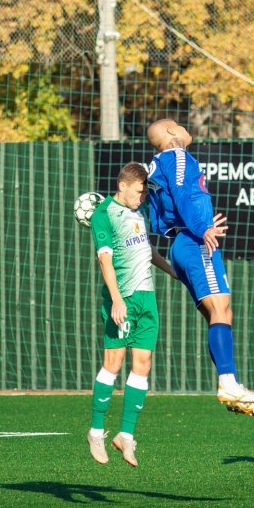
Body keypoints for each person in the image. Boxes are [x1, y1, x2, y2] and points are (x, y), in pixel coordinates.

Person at [145, 118, 254, 417]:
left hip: (182, 242)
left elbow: (161, 213)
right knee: (220, 309)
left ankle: (231, 386)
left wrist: (196, 226)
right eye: (179, 124)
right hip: (195, 241)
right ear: (171, 132)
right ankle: (228, 383)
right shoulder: (177, 156)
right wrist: (202, 227)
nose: (185, 127)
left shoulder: (156, 164)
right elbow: (182, 193)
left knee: (221, 313)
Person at [86, 162, 179, 467]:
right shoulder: (104, 214)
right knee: (113, 363)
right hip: (122, 297)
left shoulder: (138, 210)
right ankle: (95, 432)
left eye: (144, 192)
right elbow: (105, 261)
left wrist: (174, 272)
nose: (143, 197)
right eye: (139, 191)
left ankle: (125, 435)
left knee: (144, 363)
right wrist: (116, 300)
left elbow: (147, 250)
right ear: (122, 186)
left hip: (146, 298)